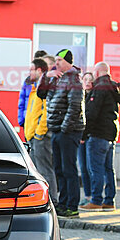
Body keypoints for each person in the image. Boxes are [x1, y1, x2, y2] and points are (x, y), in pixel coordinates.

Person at [81, 62, 120, 211]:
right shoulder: (113, 87)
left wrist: (84, 133)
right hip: (111, 134)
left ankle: (96, 200)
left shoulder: (100, 88)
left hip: (98, 133)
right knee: (108, 169)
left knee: (96, 169)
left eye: (94, 72)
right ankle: (109, 200)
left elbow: (92, 114)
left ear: (98, 72)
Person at [45, 49, 85, 218]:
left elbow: (75, 107)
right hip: (57, 129)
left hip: (68, 131)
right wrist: (48, 76)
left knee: (69, 169)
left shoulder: (74, 79)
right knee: (59, 169)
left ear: (68, 62)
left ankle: (72, 206)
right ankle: (63, 203)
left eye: (59, 60)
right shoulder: (58, 78)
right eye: (55, 60)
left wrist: (64, 128)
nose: (57, 64)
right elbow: (43, 94)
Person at [24, 58, 58, 206]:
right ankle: (40, 200)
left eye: (31, 69)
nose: (29, 72)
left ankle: (51, 201)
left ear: (39, 71)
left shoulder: (44, 90)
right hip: (32, 136)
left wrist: (39, 132)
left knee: (45, 169)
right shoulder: (34, 89)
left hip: (40, 136)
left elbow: (46, 113)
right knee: (36, 171)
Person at [18, 50, 48, 130]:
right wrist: (21, 119)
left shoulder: (47, 82)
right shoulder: (28, 81)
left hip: (37, 122)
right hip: (27, 121)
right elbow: (22, 100)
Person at [77, 72, 94, 207]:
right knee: (82, 168)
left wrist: (84, 135)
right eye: (85, 79)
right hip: (79, 137)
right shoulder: (79, 96)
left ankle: (93, 196)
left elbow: (91, 118)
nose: (88, 82)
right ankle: (87, 196)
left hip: (88, 137)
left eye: (90, 79)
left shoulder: (94, 97)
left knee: (90, 168)